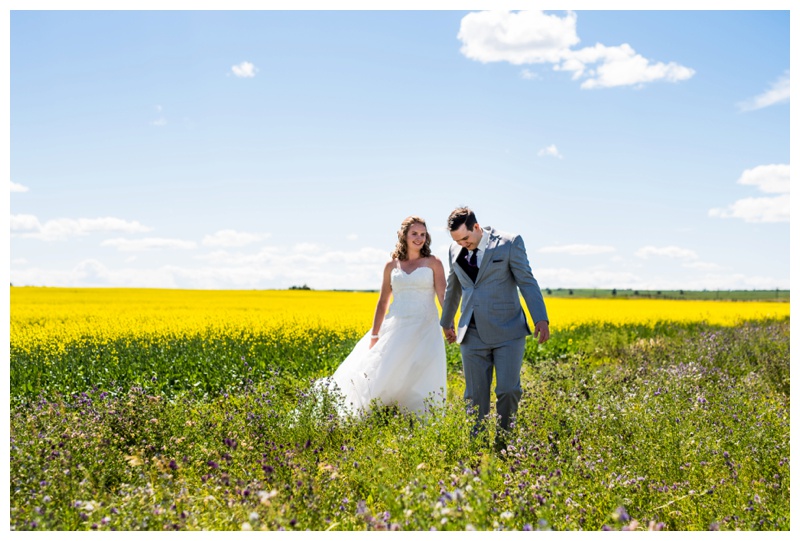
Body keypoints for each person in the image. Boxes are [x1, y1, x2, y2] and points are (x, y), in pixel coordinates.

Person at [440, 206, 550, 448]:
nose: (463, 244)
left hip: (508, 332)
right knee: (474, 395)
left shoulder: (510, 243)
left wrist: (540, 318)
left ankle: (505, 444)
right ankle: (477, 447)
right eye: (457, 240)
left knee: (508, 390)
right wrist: (446, 321)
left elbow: (527, 282)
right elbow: (453, 286)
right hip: (471, 333)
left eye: (466, 238)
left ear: (477, 227)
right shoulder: (453, 249)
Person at [325, 216, 448, 416]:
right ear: (404, 236)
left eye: (423, 234)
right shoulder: (392, 265)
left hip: (425, 325)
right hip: (396, 326)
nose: (419, 238)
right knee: (386, 370)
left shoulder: (434, 263)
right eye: (414, 234)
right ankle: (382, 411)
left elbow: (443, 295)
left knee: (421, 371)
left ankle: (419, 416)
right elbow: (383, 301)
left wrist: (448, 323)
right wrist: (374, 334)